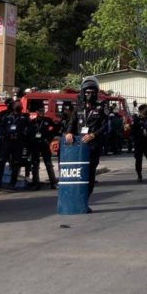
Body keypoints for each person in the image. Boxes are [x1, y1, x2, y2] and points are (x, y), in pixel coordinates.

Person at [61, 77, 107, 213]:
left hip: (92, 146)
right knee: (78, 174)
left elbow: (105, 126)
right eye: (87, 92)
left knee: (90, 175)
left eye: (92, 92)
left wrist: (94, 135)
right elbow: (72, 123)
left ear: (96, 92)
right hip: (78, 147)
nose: (89, 95)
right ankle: (74, 201)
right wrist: (68, 133)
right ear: (83, 92)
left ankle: (84, 201)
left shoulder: (101, 108)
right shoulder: (78, 108)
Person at [0, 101, 30, 189]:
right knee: (1, 161)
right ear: (13, 106)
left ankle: (12, 183)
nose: (19, 106)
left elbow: (29, 129)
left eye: (20, 105)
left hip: (18, 142)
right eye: (17, 105)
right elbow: (1, 127)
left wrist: (21, 135)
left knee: (16, 163)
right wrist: (7, 134)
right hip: (7, 141)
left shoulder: (25, 117)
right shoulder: (7, 117)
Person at [27, 111, 59, 190]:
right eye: (39, 111)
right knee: (35, 164)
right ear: (37, 112)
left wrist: (49, 137)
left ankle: (53, 183)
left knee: (48, 164)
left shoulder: (47, 120)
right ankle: (36, 183)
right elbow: (29, 133)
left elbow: (56, 128)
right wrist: (31, 140)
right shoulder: (33, 121)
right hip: (35, 145)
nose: (41, 112)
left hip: (44, 144)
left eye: (42, 110)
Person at [130, 104, 147, 182]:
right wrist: (133, 141)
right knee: (138, 159)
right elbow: (132, 131)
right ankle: (139, 175)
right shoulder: (136, 120)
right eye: (146, 109)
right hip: (138, 142)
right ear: (141, 110)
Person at [0, 97, 15, 182]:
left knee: (13, 161)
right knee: (0, 160)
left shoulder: (17, 113)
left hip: (14, 141)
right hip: (4, 139)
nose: (12, 105)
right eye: (10, 103)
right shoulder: (3, 113)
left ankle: (12, 180)